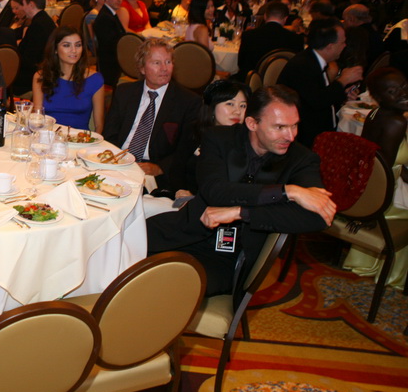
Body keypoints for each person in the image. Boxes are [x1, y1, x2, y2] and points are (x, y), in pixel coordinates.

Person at [146, 85, 334, 295]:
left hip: (229, 258)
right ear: (252, 123)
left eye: (294, 126)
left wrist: (241, 213)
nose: (290, 136)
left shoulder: (302, 160)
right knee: (122, 245)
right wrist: (287, 191)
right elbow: (215, 191)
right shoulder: (218, 138)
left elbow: (319, 217)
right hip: (184, 229)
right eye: (280, 127)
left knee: (164, 287)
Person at [103, 38, 202, 192]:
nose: (164, 68)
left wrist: (160, 168)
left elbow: (186, 148)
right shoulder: (125, 93)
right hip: (119, 162)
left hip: (154, 171)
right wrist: (118, 160)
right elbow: (110, 134)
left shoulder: (188, 101)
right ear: (142, 68)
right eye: (157, 63)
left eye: (168, 62)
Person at [347, 67, 408, 290]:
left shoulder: (375, 114)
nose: (403, 93)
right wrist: (372, 209)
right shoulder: (397, 122)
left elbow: (372, 163)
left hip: (371, 188)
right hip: (388, 197)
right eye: (393, 91)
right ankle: (392, 275)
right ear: (379, 97)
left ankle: (368, 264)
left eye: (404, 86)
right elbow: (385, 170)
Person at [277, 18, 363, 148]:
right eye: (342, 42)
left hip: (317, 128)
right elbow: (317, 101)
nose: (345, 46)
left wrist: (343, 94)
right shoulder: (303, 66)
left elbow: (321, 94)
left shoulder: (313, 60)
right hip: (305, 138)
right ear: (330, 46)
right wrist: (343, 80)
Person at [33, 26, 104, 130]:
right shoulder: (41, 77)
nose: (74, 50)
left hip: (80, 138)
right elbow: (37, 118)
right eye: (66, 45)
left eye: (78, 45)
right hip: (48, 136)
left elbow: (99, 125)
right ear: (55, 49)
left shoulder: (95, 79)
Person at [236, 1, 304, 77]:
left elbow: (241, 63)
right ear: (285, 19)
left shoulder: (249, 35)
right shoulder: (296, 39)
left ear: (265, 16)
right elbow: (297, 66)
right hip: (281, 81)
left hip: (253, 79)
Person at [15, 0, 57, 96]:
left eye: (24, 4)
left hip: (35, 75)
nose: (23, 8)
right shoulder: (45, 19)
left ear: (31, 5)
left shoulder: (37, 25)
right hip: (44, 69)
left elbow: (29, 58)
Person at [93, 0, 128, 88]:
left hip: (115, 58)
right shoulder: (105, 17)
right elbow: (111, 44)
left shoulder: (110, 13)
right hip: (111, 64)